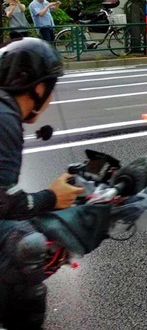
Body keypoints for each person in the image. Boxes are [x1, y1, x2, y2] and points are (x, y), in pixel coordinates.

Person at [0, 38, 85, 329]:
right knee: (28, 245)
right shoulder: (5, 118)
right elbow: (3, 204)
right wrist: (51, 197)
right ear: (38, 88)